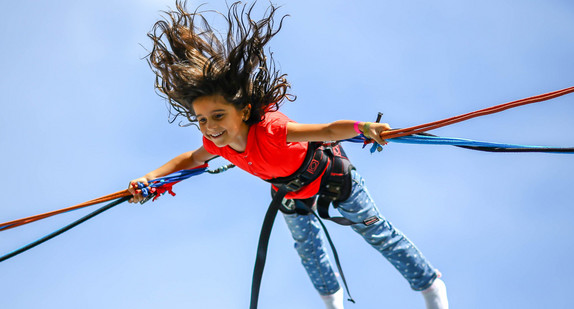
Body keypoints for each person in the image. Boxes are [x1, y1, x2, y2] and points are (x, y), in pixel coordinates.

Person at [128, 1, 448, 308]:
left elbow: (326, 132)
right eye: (202, 120)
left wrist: (363, 127)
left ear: (244, 110)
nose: (209, 127)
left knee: (376, 232)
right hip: (292, 193)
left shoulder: (272, 129)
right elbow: (191, 160)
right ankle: (333, 304)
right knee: (308, 251)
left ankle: (430, 285)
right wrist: (150, 179)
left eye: (218, 116)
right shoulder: (217, 144)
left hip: (333, 177)